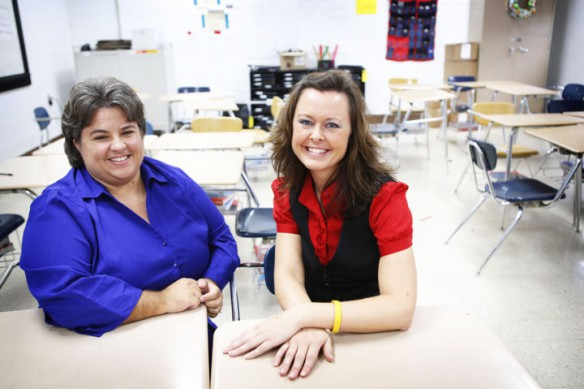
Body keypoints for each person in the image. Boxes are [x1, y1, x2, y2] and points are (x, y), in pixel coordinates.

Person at [224, 70, 417, 379]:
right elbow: (287, 272)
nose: (316, 135)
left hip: (369, 333)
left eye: (332, 125)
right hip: (307, 332)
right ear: (290, 126)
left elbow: (400, 308)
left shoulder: (386, 197)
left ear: (354, 134)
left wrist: (308, 316)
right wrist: (306, 323)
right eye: (305, 122)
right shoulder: (287, 190)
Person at [20, 77, 239, 339]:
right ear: (77, 143)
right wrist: (162, 301)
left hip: (191, 338)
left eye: (127, 131)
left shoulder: (173, 181)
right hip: (112, 348)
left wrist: (211, 281)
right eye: (101, 137)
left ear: (141, 132)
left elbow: (222, 238)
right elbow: (64, 295)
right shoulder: (57, 209)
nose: (119, 146)